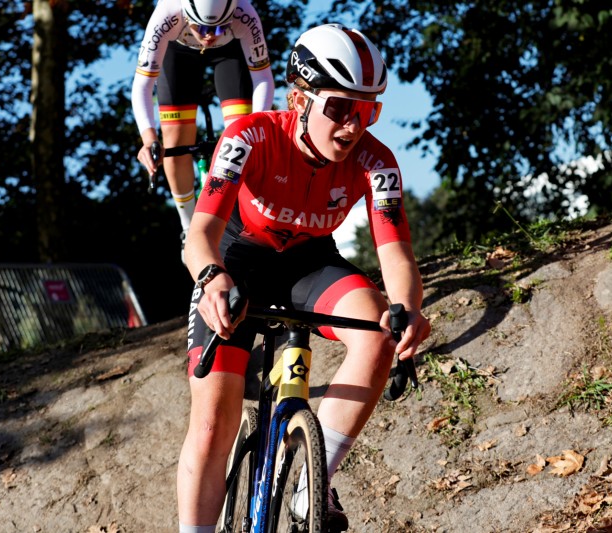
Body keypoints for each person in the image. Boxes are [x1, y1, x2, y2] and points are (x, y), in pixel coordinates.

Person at [179, 23, 432, 533]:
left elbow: (396, 256)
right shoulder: (247, 136)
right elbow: (199, 234)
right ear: (299, 99)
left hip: (308, 263)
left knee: (379, 332)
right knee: (211, 425)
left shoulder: (376, 162)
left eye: (368, 112)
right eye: (340, 108)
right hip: (237, 261)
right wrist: (210, 278)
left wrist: (406, 309)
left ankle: (308, 491)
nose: (352, 125)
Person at [131, 0, 274, 263]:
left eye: (218, 28)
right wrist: (148, 138)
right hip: (178, 52)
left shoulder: (244, 14)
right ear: (187, 15)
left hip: (231, 54)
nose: (209, 37)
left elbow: (263, 78)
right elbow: (142, 85)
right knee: (173, 140)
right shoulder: (167, 14)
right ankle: (188, 225)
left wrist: (256, 126)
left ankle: (242, 218)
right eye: (202, 28)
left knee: (242, 137)